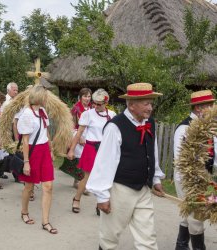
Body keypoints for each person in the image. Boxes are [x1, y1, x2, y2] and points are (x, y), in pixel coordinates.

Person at [86, 83, 165, 250]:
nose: (150, 108)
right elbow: (104, 162)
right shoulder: (115, 126)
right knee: (109, 237)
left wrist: (156, 177)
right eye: (146, 104)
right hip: (120, 190)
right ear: (131, 104)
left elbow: (153, 151)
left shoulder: (149, 122)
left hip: (143, 189)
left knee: (148, 238)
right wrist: (102, 196)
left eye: (151, 103)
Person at [173, 90, 216, 250]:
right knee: (196, 216)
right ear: (198, 108)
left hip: (204, 177)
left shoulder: (208, 126)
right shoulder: (184, 128)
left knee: (188, 215)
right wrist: (196, 182)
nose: (213, 108)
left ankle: (181, 245)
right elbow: (181, 160)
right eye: (209, 105)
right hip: (188, 179)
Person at [67, 89, 116, 214]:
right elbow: (79, 133)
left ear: (106, 103)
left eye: (100, 104)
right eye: (95, 103)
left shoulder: (112, 115)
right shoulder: (88, 114)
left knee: (104, 177)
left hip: (104, 149)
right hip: (90, 147)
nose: (96, 106)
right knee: (86, 176)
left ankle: (100, 203)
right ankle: (76, 199)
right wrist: (72, 149)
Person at [17, 85, 58, 234]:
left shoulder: (43, 111)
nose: (47, 99)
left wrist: (50, 149)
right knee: (29, 186)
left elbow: (46, 132)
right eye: (46, 96)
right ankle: (24, 212)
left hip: (44, 152)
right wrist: (26, 162)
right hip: (33, 153)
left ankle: (45, 221)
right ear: (40, 97)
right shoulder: (26, 114)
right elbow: (25, 141)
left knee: (48, 186)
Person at [70, 88, 92, 189]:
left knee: (87, 159)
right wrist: (78, 137)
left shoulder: (93, 108)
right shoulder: (76, 108)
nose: (87, 99)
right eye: (85, 96)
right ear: (80, 97)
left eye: (89, 96)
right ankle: (79, 182)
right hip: (79, 136)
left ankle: (82, 182)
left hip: (90, 136)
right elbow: (72, 125)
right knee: (80, 160)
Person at [0, 82, 18, 180]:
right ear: (8, 90)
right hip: (7, 128)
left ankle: (10, 172)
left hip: (16, 127)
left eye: (17, 90)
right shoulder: (4, 101)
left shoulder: (17, 100)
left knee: (13, 151)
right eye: (14, 90)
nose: (16, 92)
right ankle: (14, 174)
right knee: (10, 151)